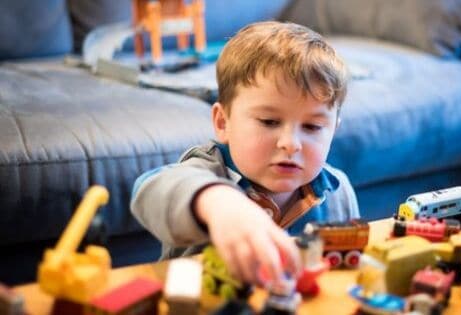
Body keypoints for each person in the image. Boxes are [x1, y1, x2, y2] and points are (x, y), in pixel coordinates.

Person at [131, 21, 360, 286]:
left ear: (332, 130)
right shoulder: (207, 169)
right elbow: (148, 191)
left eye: (312, 127)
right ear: (223, 123)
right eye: (269, 121)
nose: (291, 143)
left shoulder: (337, 190)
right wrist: (217, 203)